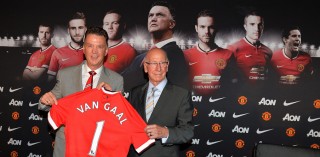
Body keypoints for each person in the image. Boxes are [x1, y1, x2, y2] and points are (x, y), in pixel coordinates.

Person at [38, 26, 124, 157]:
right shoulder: (65, 75)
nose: (94, 51)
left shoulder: (116, 81)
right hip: (66, 149)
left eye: (99, 47)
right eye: (90, 46)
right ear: (83, 48)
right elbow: (44, 105)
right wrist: (44, 100)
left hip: (98, 150)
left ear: (106, 51)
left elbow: (119, 122)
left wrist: (111, 99)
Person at [128, 48, 194, 157]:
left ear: (167, 66)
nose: (158, 68)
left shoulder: (181, 94)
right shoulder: (134, 93)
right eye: (154, 63)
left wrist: (165, 132)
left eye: (162, 63)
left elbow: (188, 132)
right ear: (145, 67)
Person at [121, 1, 189, 91]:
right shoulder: (139, 58)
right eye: (151, 15)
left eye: (159, 15)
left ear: (171, 24)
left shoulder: (175, 54)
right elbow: (122, 80)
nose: (153, 18)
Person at [184, 9, 236, 95]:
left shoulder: (228, 55)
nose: (207, 32)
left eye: (211, 27)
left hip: (218, 105)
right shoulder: (185, 55)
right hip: (192, 106)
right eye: (202, 27)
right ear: (196, 28)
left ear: (216, 28)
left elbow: (233, 84)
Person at [227, 10, 272, 85]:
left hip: (262, 95)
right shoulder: (233, 48)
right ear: (245, 27)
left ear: (263, 27)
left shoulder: (268, 51)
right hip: (242, 95)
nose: (257, 29)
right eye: (252, 24)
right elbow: (226, 78)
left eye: (260, 24)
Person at [47, 12, 87, 82]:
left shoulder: (93, 52)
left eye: (80, 28)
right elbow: (50, 81)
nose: (77, 32)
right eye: (73, 28)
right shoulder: (57, 53)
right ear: (68, 31)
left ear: (85, 29)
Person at [102, 9, 137, 73]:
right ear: (103, 27)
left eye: (115, 23)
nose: (110, 27)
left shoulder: (129, 52)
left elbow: (133, 79)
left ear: (123, 26)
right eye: (107, 24)